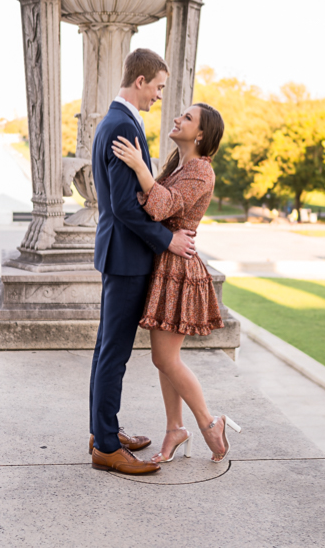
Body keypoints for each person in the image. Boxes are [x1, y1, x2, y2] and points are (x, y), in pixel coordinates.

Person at [87, 48, 198, 476]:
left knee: (106, 350)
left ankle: (104, 430)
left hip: (120, 252)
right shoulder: (122, 126)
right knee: (113, 353)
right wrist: (169, 240)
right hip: (127, 255)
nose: (159, 96)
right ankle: (108, 448)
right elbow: (124, 207)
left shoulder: (120, 121)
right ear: (140, 82)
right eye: (158, 87)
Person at [113, 100, 241, 464]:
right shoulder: (179, 165)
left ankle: (209, 422)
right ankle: (175, 428)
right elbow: (149, 201)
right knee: (165, 360)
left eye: (187, 117)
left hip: (179, 272)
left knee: (164, 358)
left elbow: (160, 206)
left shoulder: (201, 171)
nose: (177, 118)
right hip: (165, 267)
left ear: (201, 134)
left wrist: (139, 167)